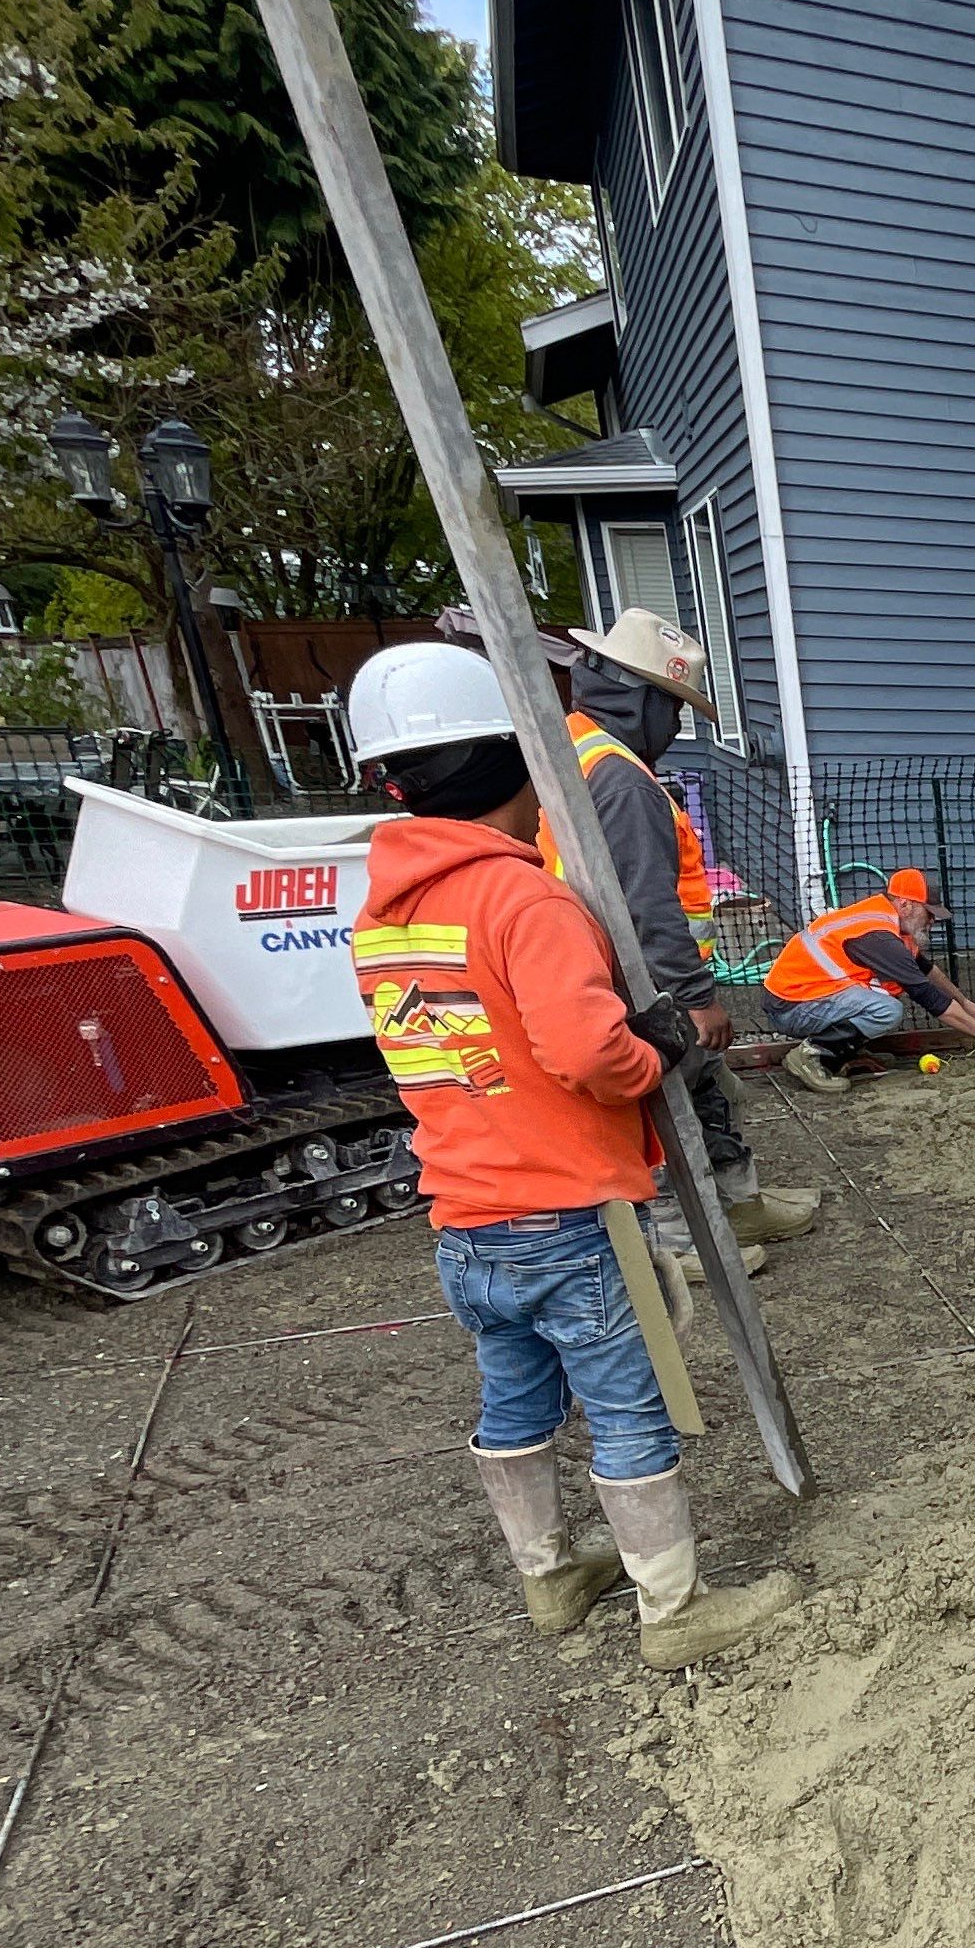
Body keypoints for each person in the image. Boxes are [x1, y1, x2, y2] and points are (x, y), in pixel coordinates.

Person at [344, 643, 799, 1670]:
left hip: (464, 1220)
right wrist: (663, 1044)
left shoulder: (381, 917)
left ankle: (550, 1577)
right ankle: (673, 1612)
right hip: (564, 1213)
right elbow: (590, 1053)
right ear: (518, 762)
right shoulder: (525, 902)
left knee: (514, 1400)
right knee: (629, 1401)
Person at [555, 605, 819, 1265]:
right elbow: (647, 906)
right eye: (671, 706)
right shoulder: (619, 779)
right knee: (664, 1104)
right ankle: (677, 1240)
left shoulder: (583, 749)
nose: (674, 725)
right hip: (633, 982)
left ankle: (738, 1206)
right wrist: (697, 997)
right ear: (640, 697)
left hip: (627, 974)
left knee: (708, 1088)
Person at [760, 870, 975, 1089]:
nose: (931, 921)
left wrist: (964, 1002)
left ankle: (841, 1053)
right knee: (886, 1009)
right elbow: (928, 997)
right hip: (791, 1007)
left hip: (805, 997)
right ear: (905, 905)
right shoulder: (880, 936)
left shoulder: (889, 923)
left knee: (884, 996)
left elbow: (927, 969)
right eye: (928, 913)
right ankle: (810, 1055)